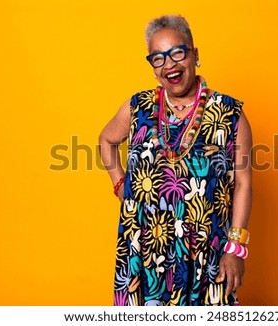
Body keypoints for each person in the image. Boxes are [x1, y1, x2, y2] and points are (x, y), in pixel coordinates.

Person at [99, 14, 252, 306]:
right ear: (153, 66)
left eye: (177, 53)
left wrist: (236, 249)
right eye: (158, 58)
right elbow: (106, 140)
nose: (169, 64)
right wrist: (120, 184)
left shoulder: (229, 113)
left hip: (207, 251)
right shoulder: (138, 107)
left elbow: (244, 183)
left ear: (194, 54)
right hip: (142, 250)